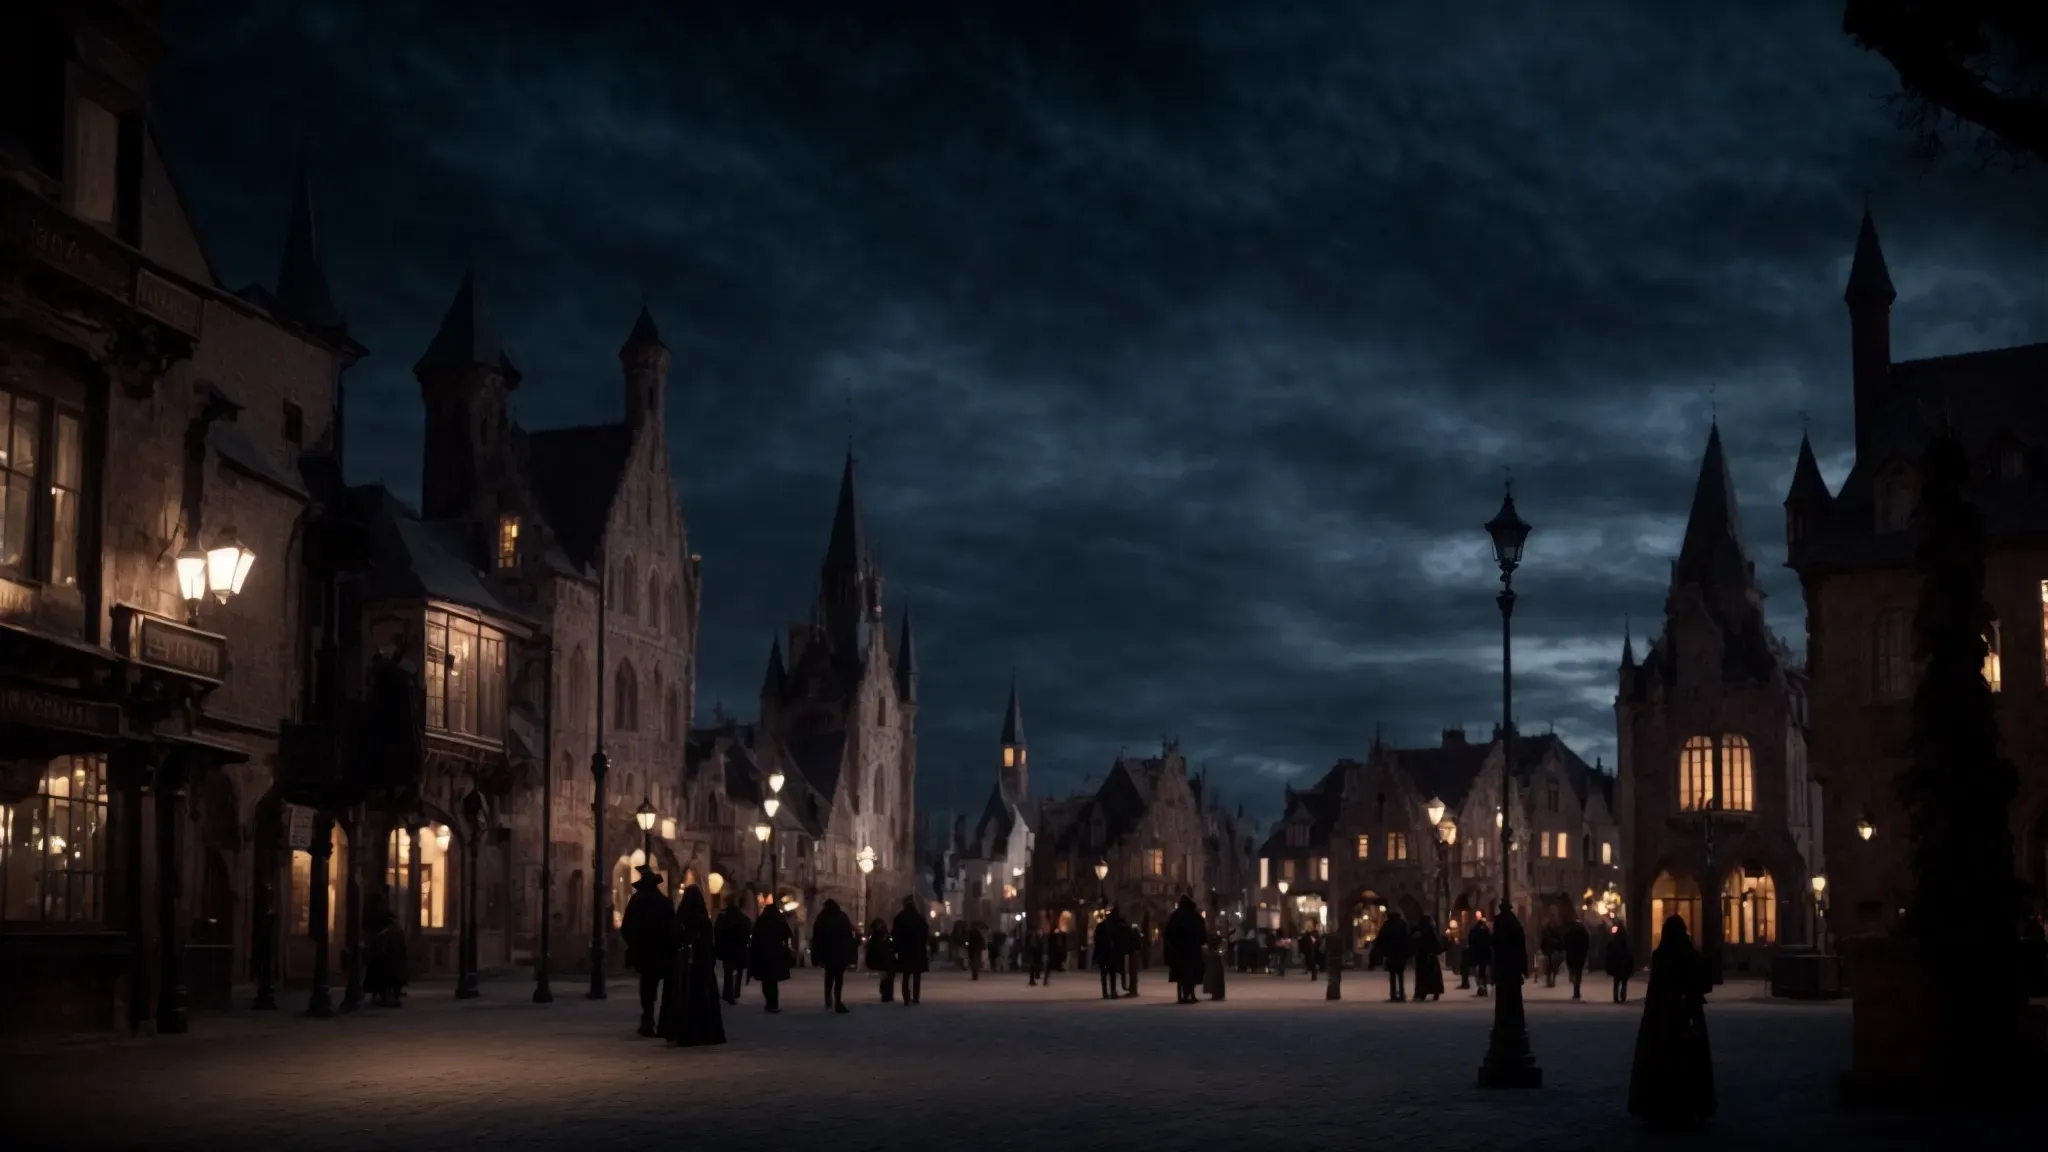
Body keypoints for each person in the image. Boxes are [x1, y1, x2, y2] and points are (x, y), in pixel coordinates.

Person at [1628, 916, 1717, 1129]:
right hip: (1686, 1015)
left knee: (1662, 1058)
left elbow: (1655, 991)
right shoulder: (1689, 954)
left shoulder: (1661, 956)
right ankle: (1689, 1105)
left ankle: (1658, 1105)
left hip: (1663, 1017)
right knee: (1689, 1060)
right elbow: (1704, 982)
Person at [660, 885, 726, 1047]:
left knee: (683, 996)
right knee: (702, 997)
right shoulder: (704, 920)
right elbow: (709, 945)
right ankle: (705, 1031)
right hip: (701, 966)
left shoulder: (681, 919)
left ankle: (683, 1030)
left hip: (684, 967)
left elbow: (673, 940)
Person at [619, 866, 676, 1037]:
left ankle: (648, 1020)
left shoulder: (637, 902)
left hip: (644, 952)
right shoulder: (665, 902)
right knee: (666, 986)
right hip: (663, 951)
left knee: (647, 988)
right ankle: (665, 1022)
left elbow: (626, 927)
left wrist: (634, 943)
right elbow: (673, 928)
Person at [363, 884, 408, 1008]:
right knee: (383, 967)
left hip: (387, 945)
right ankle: (386, 993)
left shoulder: (392, 928)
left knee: (387, 966)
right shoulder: (379, 908)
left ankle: (388, 993)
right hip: (384, 945)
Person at [810, 898, 856, 1014]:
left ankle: (828, 998)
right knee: (839, 978)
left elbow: (816, 937)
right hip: (840, 952)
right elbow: (848, 935)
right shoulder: (842, 917)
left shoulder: (822, 918)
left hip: (827, 952)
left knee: (829, 976)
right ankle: (838, 1000)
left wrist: (816, 955)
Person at [749, 903, 793, 1013]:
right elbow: (787, 934)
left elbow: (754, 938)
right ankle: (773, 1004)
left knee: (766, 980)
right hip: (776, 954)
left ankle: (769, 1002)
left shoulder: (761, 921)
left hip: (762, 954)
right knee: (773, 981)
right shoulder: (779, 921)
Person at [1163, 896, 1206, 1004]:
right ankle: (1190, 994)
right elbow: (1202, 933)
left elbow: (1168, 934)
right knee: (1191, 974)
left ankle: (1182, 996)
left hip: (1178, 951)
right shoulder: (1195, 917)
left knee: (1180, 976)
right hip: (1192, 950)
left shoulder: (1175, 916)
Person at [891, 897, 928, 1005]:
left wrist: (896, 948)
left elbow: (895, 934)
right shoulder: (919, 918)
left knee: (906, 975)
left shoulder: (900, 918)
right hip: (917, 950)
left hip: (905, 950)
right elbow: (925, 933)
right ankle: (916, 997)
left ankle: (906, 997)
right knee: (917, 974)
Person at [715, 898, 752, 1005]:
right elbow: (748, 930)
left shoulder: (723, 918)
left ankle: (728, 993)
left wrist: (719, 948)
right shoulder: (742, 918)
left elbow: (718, 933)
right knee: (738, 972)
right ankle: (735, 992)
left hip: (727, 949)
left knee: (728, 972)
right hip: (739, 948)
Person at [1370, 909, 1412, 1002]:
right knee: (1400, 975)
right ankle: (1401, 995)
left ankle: (1393, 995)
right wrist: (1408, 953)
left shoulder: (1387, 925)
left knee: (1392, 975)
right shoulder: (1403, 924)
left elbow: (1380, 939)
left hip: (1391, 954)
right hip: (1401, 953)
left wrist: (1381, 951)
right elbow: (1408, 938)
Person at [1094, 908, 1127, 1000]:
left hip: (1105, 954)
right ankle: (1111, 991)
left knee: (1105, 974)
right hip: (1110, 954)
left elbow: (1097, 940)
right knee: (1111, 974)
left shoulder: (1101, 926)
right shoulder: (1113, 927)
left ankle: (1106, 992)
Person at [1412, 916, 1446, 1001]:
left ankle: (1421, 993)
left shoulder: (1417, 932)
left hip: (1421, 958)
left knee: (1422, 977)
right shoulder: (1431, 932)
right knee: (1434, 976)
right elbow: (1437, 944)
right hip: (1430, 957)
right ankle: (1435, 992)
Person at [866, 918, 895, 1002]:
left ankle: (887, 994)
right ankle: (887, 994)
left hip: (883, 959)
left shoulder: (878, 936)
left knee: (887, 977)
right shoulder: (880, 936)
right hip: (883, 959)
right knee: (887, 976)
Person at [1606, 923, 1636, 1003]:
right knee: (1624, 982)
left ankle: (1615, 997)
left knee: (1616, 982)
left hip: (1616, 964)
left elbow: (1609, 954)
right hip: (1625, 964)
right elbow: (1631, 954)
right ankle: (1623, 996)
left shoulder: (1613, 942)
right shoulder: (1627, 942)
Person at [1565, 917, 1592, 1001]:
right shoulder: (1583, 931)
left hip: (1571, 954)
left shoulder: (1569, 931)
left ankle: (1575, 985)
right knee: (1578, 972)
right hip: (1580, 954)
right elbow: (1587, 942)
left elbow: (1565, 941)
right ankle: (1577, 989)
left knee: (1573, 970)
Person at [1467, 916, 1494, 997]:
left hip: (1476, 954)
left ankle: (1481, 986)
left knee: (1479, 971)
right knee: (1484, 971)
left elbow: (1470, 941)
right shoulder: (1486, 930)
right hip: (1485, 954)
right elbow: (1490, 940)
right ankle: (1484, 986)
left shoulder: (1473, 930)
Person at [1203, 927, 1228, 1001]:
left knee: (1214, 978)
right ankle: (1218, 994)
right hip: (1216, 966)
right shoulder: (1214, 954)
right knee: (1217, 978)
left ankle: (1216, 993)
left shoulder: (1210, 953)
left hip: (1214, 966)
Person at [1539, 921, 1563, 988]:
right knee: (1550, 967)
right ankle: (1550, 980)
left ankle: (1551, 980)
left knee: (1553, 966)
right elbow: (1543, 940)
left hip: (1553, 950)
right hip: (1549, 950)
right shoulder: (1547, 931)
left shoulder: (1555, 931)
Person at [1125, 919, 1145, 995]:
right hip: (1133, 952)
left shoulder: (1133, 929)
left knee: (1133, 972)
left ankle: (1133, 990)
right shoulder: (1134, 928)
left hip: (1133, 953)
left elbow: (1138, 942)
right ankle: (1132, 989)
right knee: (1132, 972)